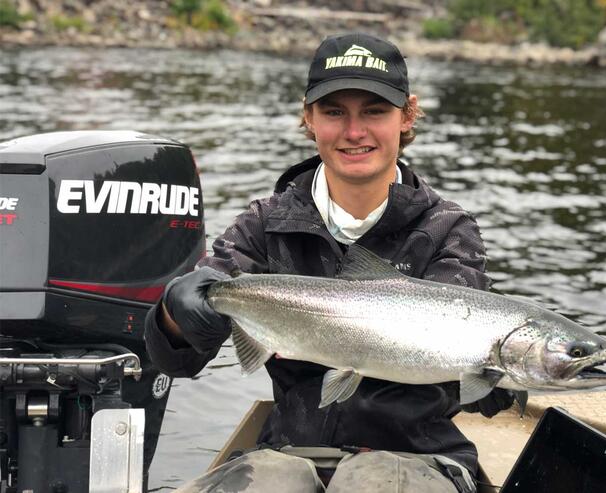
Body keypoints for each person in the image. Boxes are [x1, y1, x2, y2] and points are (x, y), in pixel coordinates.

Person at [144, 32, 514, 492]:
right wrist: (174, 313)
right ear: (309, 117)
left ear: (408, 115)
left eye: (374, 111)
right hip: (286, 452)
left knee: (372, 481)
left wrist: (498, 375)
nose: (354, 132)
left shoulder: (447, 230)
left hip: (417, 457)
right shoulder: (266, 223)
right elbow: (175, 361)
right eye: (334, 111)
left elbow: (477, 393)